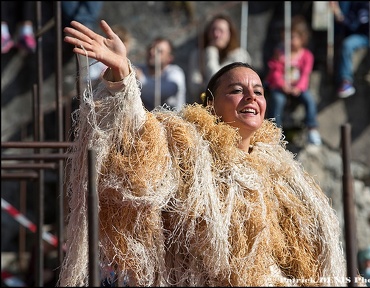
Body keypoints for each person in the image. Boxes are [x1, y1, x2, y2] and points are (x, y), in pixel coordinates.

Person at [60, 19, 348, 286]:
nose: (251, 97)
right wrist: (122, 76)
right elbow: (140, 139)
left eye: (258, 91)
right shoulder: (188, 145)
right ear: (210, 105)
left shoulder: (283, 171)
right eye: (237, 90)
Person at [265, 15, 322, 146]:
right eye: (286, 37)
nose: (288, 40)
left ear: (302, 38)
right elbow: (275, 71)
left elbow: (305, 74)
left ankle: (312, 128)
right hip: (281, 87)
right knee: (277, 100)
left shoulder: (306, 55)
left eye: (292, 37)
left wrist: (299, 88)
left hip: (298, 87)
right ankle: (275, 132)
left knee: (309, 99)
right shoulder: (280, 53)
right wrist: (282, 85)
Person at [187, 13, 251, 104]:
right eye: (213, 30)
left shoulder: (240, 56)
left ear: (230, 33)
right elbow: (194, 88)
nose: (216, 34)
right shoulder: (197, 54)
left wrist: (211, 51)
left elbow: (217, 82)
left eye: (221, 31)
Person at [136, 36, 186, 111]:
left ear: (169, 58)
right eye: (150, 49)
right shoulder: (139, 69)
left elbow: (167, 90)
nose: (152, 52)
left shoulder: (175, 72)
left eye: (159, 51)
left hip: (172, 121)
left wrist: (141, 80)